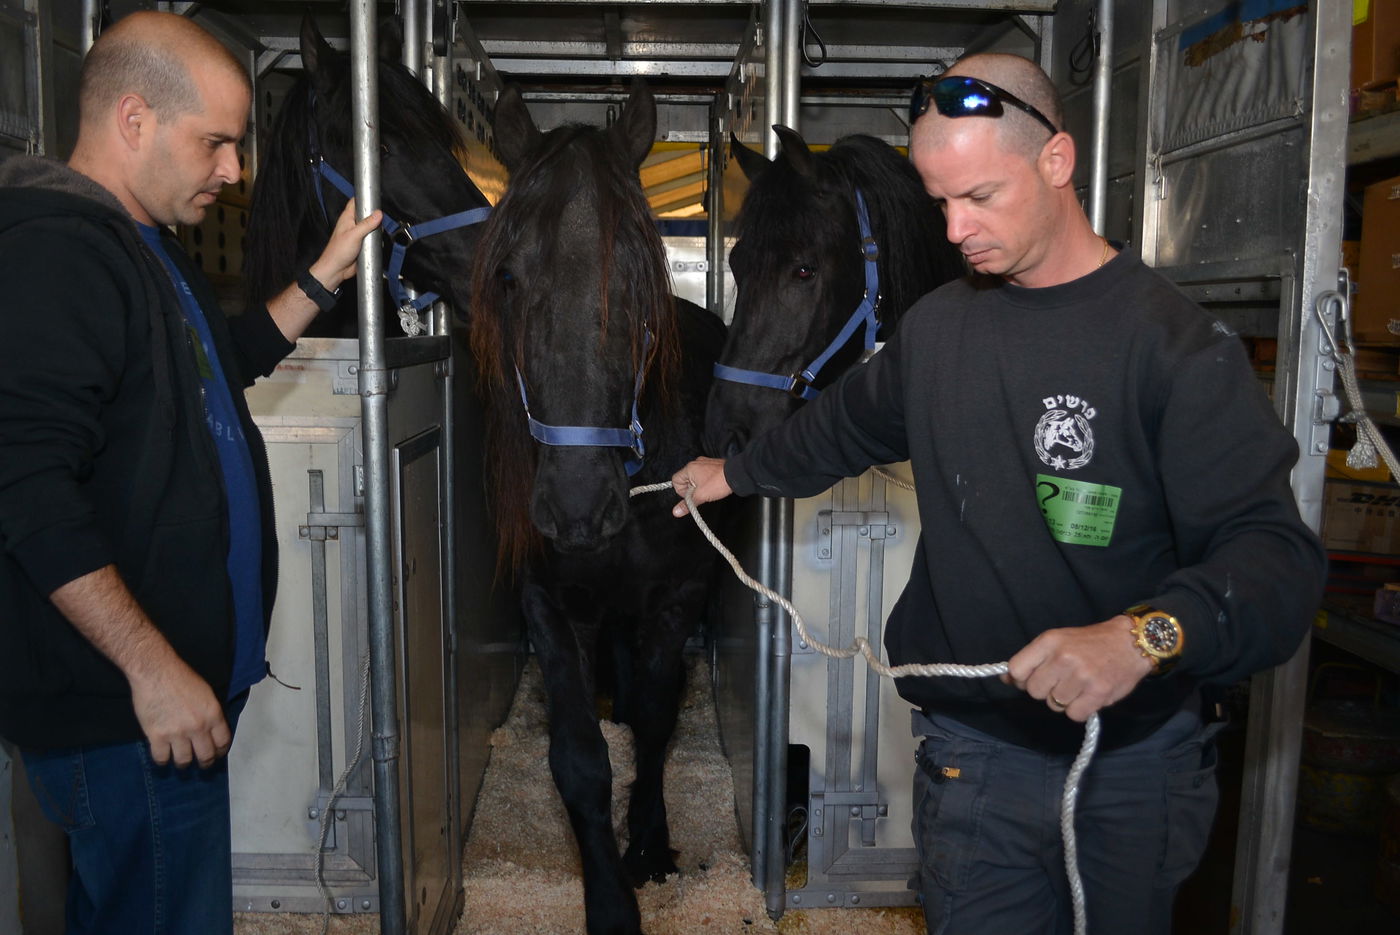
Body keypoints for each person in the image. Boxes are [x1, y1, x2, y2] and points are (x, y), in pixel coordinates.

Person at [672, 53, 1325, 934]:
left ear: (1056, 161)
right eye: (940, 201)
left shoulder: (1174, 347)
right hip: (972, 759)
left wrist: (1143, 636)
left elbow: (1277, 561)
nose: (955, 230)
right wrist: (732, 472)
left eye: (979, 196)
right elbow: (841, 429)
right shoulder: (939, 328)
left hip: (1132, 767)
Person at [0, 11, 381, 933]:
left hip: (172, 699)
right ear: (134, 119)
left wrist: (325, 276)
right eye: (215, 142)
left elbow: (225, 360)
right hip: (126, 715)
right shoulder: (58, 253)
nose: (234, 171)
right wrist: (154, 668)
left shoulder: (146, 247)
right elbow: (27, 487)